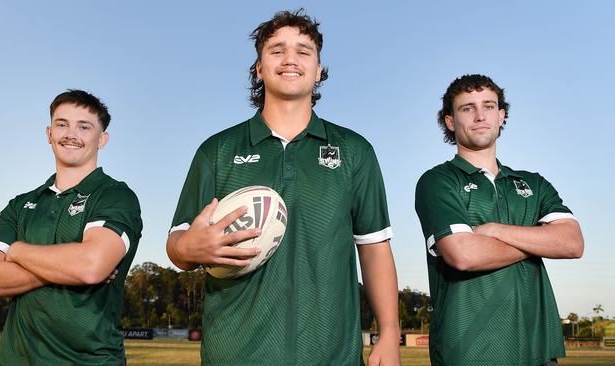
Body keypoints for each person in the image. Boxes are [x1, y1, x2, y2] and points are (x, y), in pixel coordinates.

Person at [166, 9, 401, 366]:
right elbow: (177, 243)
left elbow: (374, 249)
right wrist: (189, 247)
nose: (290, 58)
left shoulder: (354, 151)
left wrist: (388, 334)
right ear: (258, 68)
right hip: (235, 353)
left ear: (319, 70)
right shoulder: (218, 150)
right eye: (276, 50)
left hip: (331, 354)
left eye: (304, 51)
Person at [415, 74, 584, 366]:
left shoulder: (533, 183)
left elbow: (572, 243)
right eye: (467, 108)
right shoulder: (438, 181)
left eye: (489, 106)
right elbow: (464, 254)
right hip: (468, 353)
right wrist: (539, 240)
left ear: (501, 115)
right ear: (450, 121)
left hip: (539, 353)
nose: (480, 115)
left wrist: (495, 231)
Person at [0, 90, 142, 365]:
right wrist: (69, 264)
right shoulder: (20, 205)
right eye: (62, 124)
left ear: (102, 139)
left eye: (84, 127)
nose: (71, 134)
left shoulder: (115, 196)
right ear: (49, 133)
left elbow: (90, 267)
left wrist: (16, 251)